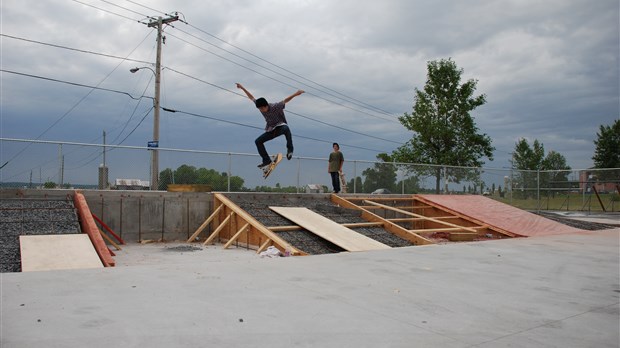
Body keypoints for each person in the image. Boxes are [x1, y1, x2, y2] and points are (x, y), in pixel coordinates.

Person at [236, 83, 305, 168]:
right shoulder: (260, 106)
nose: (261, 110)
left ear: (266, 105)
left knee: (286, 128)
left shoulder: (275, 106)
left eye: (262, 108)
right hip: (271, 130)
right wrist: (243, 88)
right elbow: (252, 97)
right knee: (258, 141)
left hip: (280, 127)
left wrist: (296, 93)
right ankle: (266, 160)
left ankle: (290, 150)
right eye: (259, 109)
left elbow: (285, 100)